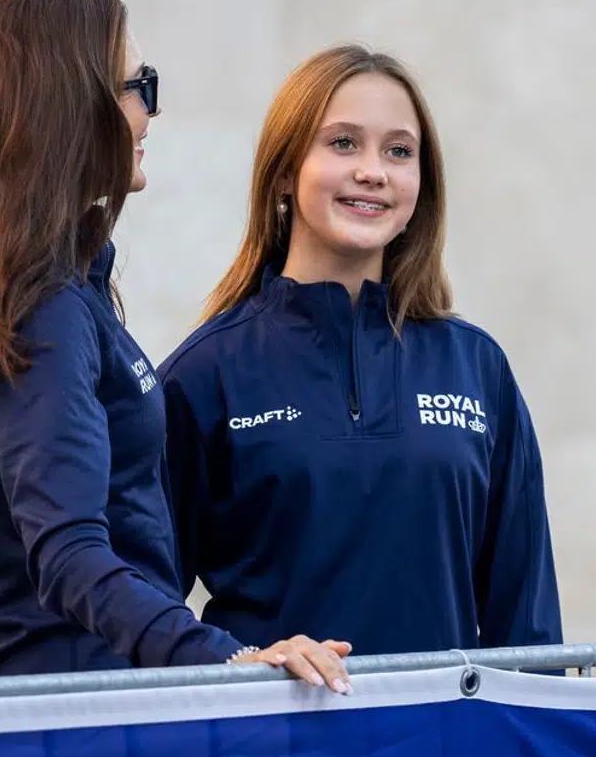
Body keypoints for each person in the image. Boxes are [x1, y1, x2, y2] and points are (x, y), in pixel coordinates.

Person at [0, 0, 352, 692]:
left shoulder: (9, 291)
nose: (152, 112)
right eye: (140, 86)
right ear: (71, 109)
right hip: (77, 709)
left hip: (35, 700)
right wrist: (221, 658)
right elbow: (67, 550)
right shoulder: (44, 308)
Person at [158, 44, 564, 659]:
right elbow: (147, 607)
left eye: (398, 151)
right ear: (283, 172)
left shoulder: (478, 368)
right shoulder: (204, 374)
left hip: (442, 737)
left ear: (421, 186)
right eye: (343, 143)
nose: (373, 170)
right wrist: (240, 663)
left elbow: (527, 623)